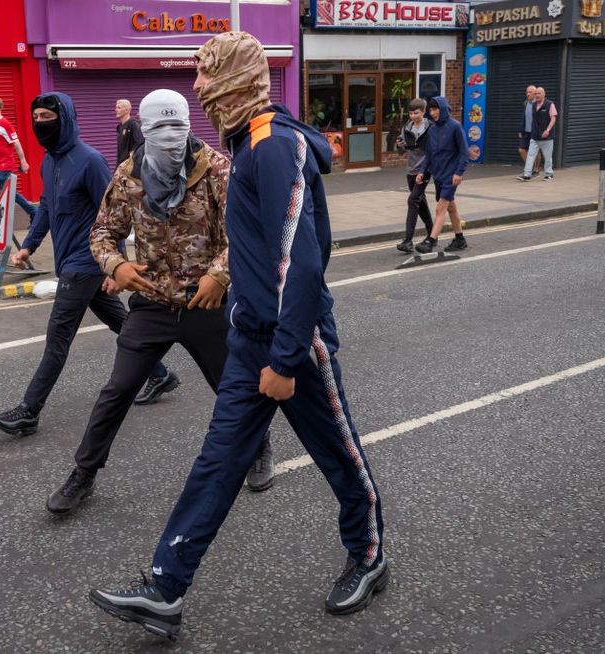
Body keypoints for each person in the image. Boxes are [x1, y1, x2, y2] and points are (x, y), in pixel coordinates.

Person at [89, 32, 387, 640]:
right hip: (251, 335)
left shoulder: (271, 146)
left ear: (240, 82)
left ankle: (368, 554)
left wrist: (283, 358)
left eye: (209, 77)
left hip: (292, 344)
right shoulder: (246, 146)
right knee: (218, 461)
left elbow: (300, 263)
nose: (199, 91)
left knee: (338, 453)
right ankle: (166, 588)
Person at [46, 89, 275, 516]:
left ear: (189, 125)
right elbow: (101, 233)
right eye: (159, 129)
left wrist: (218, 276)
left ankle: (259, 447)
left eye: (177, 127)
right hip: (151, 303)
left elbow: (247, 232)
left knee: (234, 388)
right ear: (143, 132)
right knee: (116, 391)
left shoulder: (218, 170)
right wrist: (116, 267)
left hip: (206, 303)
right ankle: (84, 473)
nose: (169, 138)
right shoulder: (129, 175)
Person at [0, 92, 176, 437]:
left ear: (66, 119)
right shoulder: (49, 160)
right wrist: (28, 246)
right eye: (37, 118)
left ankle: (29, 410)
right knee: (121, 323)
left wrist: (115, 265)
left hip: (86, 261)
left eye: (48, 117)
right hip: (69, 262)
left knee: (57, 337)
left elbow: (114, 215)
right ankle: (161, 374)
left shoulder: (89, 161)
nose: (40, 124)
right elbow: (45, 207)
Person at [414, 96, 468, 253]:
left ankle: (431, 241)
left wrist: (459, 172)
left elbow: (464, 153)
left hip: (451, 176)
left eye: (435, 109)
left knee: (440, 208)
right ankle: (460, 239)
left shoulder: (455, 127)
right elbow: (429, 154)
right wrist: (422, 171)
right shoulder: (432, 129)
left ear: (443, 109)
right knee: (451, 207)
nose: (432, 113)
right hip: (438, 174)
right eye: (430, 110)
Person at [394, 98, 433, 253]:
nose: (413, 116)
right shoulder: (407, 127)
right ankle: (432, 233)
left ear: (423, 112)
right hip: (411, 169)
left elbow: (432, 150)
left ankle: (408, 240)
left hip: (425, 169)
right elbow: (401, 151)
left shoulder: (430, 128)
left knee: (413, 199)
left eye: (416, 113)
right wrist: (399, 146)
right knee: (420, 201)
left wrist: (425, 169)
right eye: (411, 113)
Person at [517, 87, 557, 183]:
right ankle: (527, 174)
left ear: (544, 94)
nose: (537, 95)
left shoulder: (549, 104)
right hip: (535, 136)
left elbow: (553, 118)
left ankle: (549, 174)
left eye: (539, 93)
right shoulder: (533, 105)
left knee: (547, 157)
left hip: (547, 136)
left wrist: (547, 130)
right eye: (536, 94)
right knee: (530, 155)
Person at [518, 84, 540, 177]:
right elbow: (524, 117)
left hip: (535, 131)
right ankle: (529, 168)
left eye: (530, 92)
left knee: (536, 151)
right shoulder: (526, 103)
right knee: (521, 150)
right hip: (526, 131)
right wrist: (520, 130)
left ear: (535, 94)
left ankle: (536, 169)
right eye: (527, 92)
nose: (527, 94)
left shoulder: (539, 104)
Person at [115, 99, 144, 168]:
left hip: (129, 167)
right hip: (121, 165)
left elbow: (139, 144)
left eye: (119, 108)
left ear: (127, 110)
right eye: (116, 107)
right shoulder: (119, 127)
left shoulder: (133, 124)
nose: (116, 110)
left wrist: (130, 160)